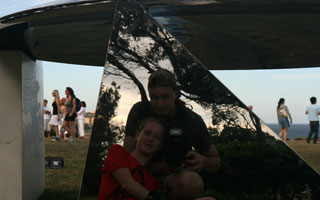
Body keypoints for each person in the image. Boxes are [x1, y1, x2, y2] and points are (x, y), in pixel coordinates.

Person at [123, 69, 221, 198]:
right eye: (155, 97)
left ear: (176, 94)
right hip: (139, 172)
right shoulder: (140, 110)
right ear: (149, 95)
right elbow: (125, 156)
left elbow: (216, 161)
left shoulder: (192, 121)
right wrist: (154, 166)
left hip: (171, 179)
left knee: (192, 182)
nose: (160, 103)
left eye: (165, 97)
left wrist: (202, 161)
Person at [99, 118, 167, 200]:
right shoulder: (118, 152)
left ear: (160, 145)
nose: (151, 139)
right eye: (147, 133)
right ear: (137, 135)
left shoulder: (156, 183)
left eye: (157, 137)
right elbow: (126, 182)